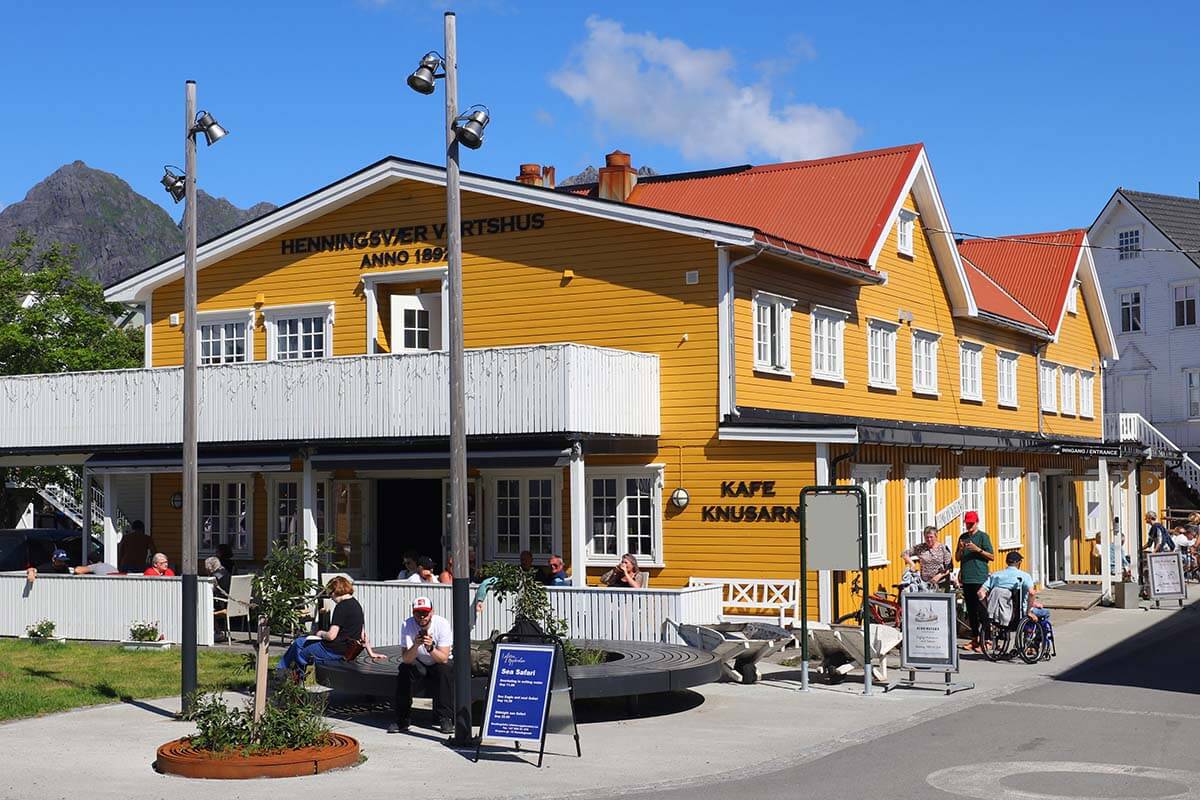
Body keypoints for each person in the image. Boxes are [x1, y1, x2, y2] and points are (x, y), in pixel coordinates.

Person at [276, 575, 381, 679]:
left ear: (335, 592)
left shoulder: (341, 607)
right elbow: (363, 635)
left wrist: (320, 633)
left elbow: (331, 636)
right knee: (299, 644)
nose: (331, 597)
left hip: (333, 651)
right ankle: (284, 674)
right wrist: (371, 653)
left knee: (300, 649)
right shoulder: (356, 605)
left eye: (330, 594)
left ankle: (285, 677)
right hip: (348, 651)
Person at [390, 595, 454, 735]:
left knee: (445, 670)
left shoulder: (442, 624)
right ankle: (402, 719)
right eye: (418, 614)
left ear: (432, 612)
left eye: (425, 613)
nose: (422, 617)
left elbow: (443, 657)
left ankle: (445, 717)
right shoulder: (407, 624)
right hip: (419, 661)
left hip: (438, 660)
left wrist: (430, 648)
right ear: (413, 613)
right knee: (404, 670)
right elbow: (406, 658)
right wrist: (416, 644)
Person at [956, 510, 994, 652]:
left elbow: (991, 556)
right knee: (971, 611)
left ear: (977, 522)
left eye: (971, 524)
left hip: (979, 577)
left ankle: (988, 640)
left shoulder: (983, 537)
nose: (969, 526)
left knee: (982, 609)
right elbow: (958, 558)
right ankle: (975, 639)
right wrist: (960, 549)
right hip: (967, 578)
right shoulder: (963, 537)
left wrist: (977, 549)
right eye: (967, 523)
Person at [977, 551, 1035, 625]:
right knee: (1044, 613)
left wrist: (988, 608)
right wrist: (1029, 612)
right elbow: (1032, 593)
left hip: (994, 614)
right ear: (1019, 562)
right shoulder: (1025, 576)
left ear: (1006, 562)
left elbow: (980, 593)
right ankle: (1029, 633)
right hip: (1018, 613)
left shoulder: (995, 575)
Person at [901, 526, 954, 590]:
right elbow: (904, 554)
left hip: (941, 584)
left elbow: (949, 567)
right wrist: (912, 564)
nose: (929, 539)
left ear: (936, 536)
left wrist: (938, 576)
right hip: (924, 584)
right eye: (927, 537)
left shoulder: (943, 548)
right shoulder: (920, 548)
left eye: (931, 537)